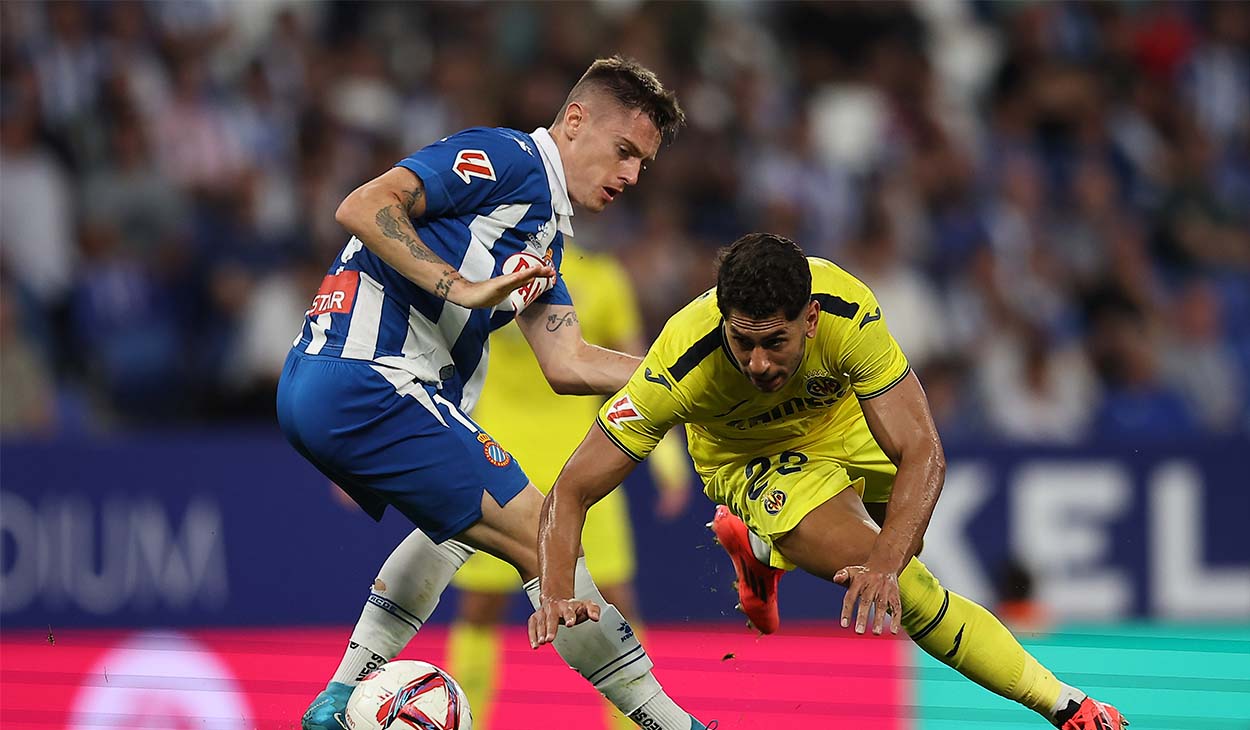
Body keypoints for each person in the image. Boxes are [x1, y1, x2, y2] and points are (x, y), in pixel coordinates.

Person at [530, 233, 1128, 730]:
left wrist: (886, 561)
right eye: (743, 342)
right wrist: (557, 590)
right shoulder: (678, 365)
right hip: (750, 456)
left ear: (810, 318)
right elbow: (572, 489)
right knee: (912, 593)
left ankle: (762, 553)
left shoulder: (848, 309)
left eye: (775, 342)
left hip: (843, 421)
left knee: (901, 548)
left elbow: (923, 449)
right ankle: (1067, 705)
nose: (758, 363)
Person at [280, 56, 714, 730]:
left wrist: (695, 381)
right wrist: (458, 286)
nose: (630, 176)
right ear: (574, 122)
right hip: (366, 375)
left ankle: (340, 698)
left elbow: (569, 362)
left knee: (452, 535)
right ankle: (670, 723)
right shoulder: (507, 158)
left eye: (643, 165)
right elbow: (363, 204)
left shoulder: (542, 238)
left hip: (344, 387)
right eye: (623, 151)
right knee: (549, 536)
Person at [447, 241, 693, 730]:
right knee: (480, 606)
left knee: (613, 603)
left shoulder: (605, 281)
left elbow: (641, 374)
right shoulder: (475, 270)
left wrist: (669, 459)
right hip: (495, 452)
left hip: (579, 462)